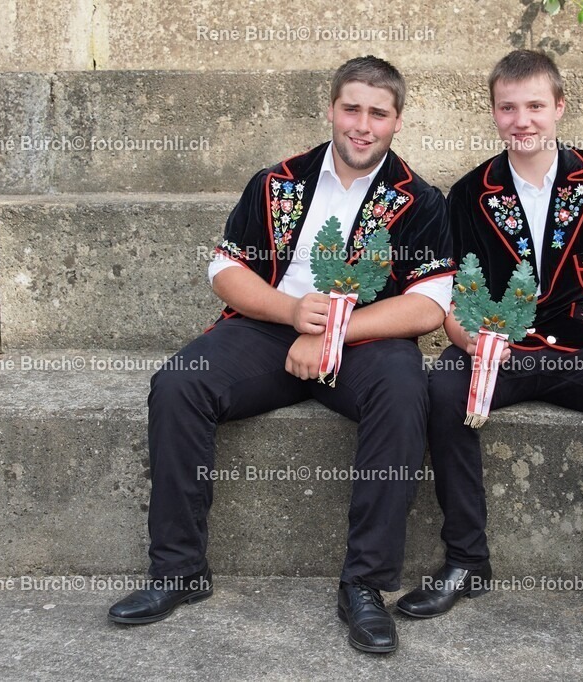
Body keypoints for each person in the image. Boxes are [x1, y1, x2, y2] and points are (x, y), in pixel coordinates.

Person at [108, 56, 456, 655]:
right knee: (178, 383)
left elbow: (428, 305)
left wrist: (330, 334)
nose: (362, 125)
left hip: (366, 340)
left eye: (378, 113)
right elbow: (226, 268)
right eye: (351, 108)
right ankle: (178, 570)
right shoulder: (278, 182)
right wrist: (292, 314)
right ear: (330, 109)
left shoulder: (420, 199)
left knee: (405, 389)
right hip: (270, 326)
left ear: (397, 120)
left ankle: (366, 587)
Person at [397, 49, 583, 643]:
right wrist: (472, 341)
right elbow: (449, 296)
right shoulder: (467, 194)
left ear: (559, 108)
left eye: (536, 105)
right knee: (439, 387)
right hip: (501, 348)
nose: (523, 120)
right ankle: (466, 560)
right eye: (508, 108)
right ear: (493, 114)